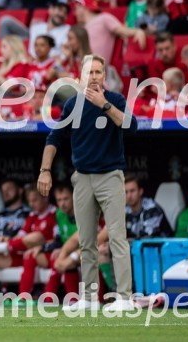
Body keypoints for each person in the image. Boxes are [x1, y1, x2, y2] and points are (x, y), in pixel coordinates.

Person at [39, 55, 137, 313]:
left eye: (97, 72)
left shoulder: (114, 99)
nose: (93, 76)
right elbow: (55, 137)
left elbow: (131, 126)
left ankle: (125, 297)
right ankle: (90, 298)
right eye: (89, 72)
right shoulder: (72, 105)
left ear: (104, 76)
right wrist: (45, 170)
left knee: (117, 237)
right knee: (86, 241)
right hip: (82, 177)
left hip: (110, 175)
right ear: (81, 76)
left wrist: (104, 105)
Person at [124, 175, 173, 239]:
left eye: (132, 191)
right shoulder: (125, 210)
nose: (129, 196)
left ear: (140, 191)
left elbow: (146, 239)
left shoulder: (152, 209)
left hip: (164, 247)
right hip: (136, 247)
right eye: (126, 192)